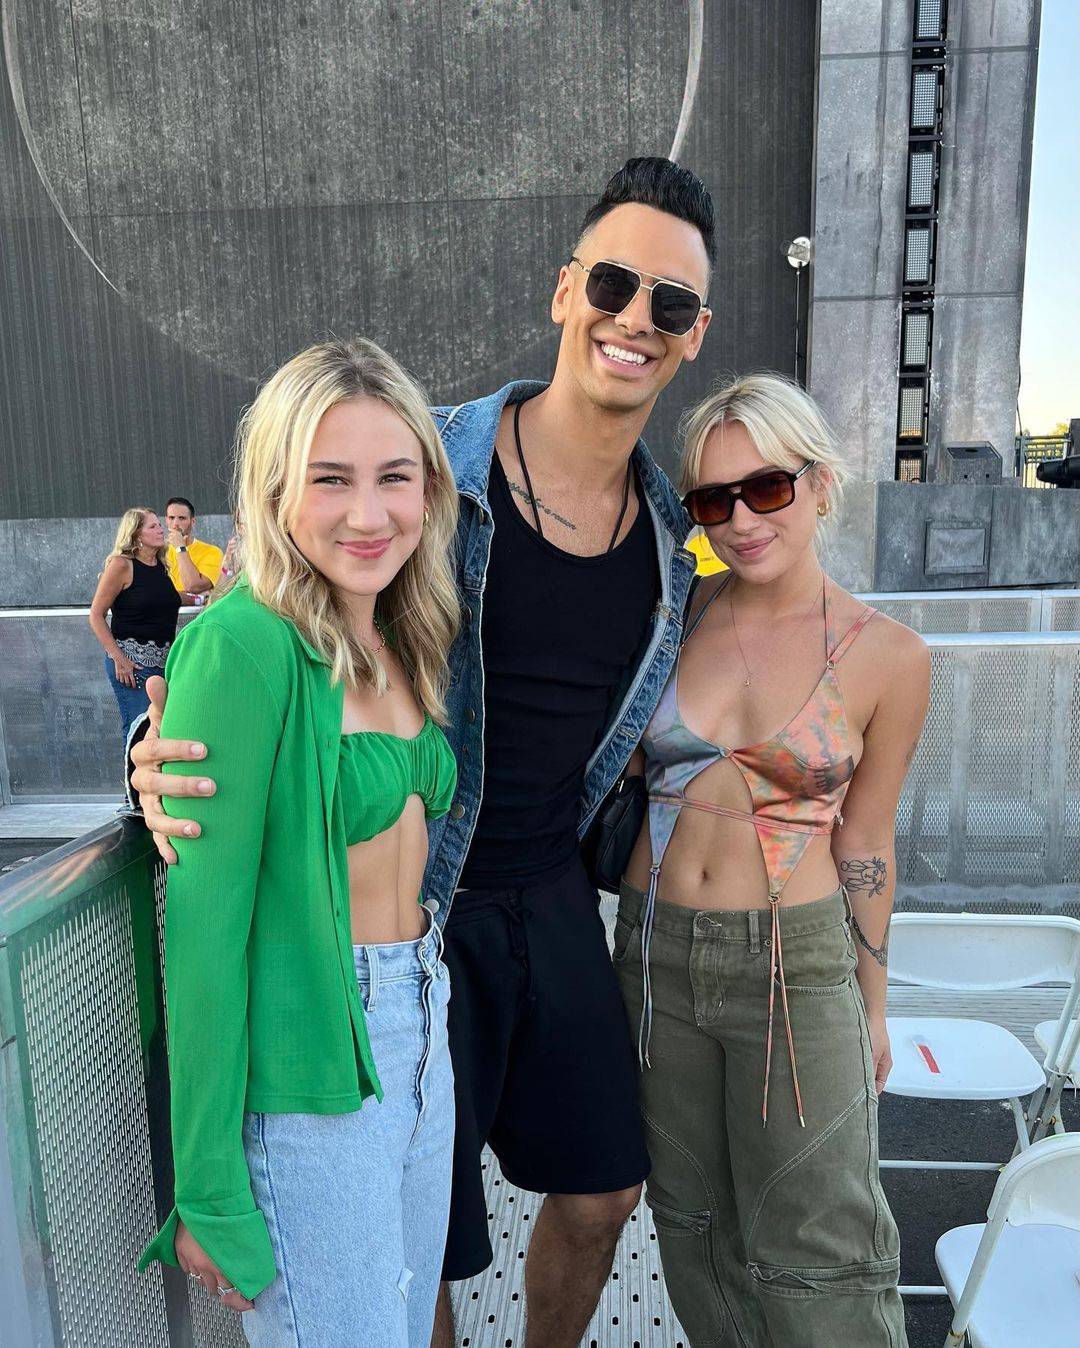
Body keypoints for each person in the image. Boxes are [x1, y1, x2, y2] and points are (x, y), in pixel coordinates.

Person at [130, 157, 714, 1348]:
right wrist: (154, 750)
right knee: (414, 1270)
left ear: (694, 331)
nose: (636, 318)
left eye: (671, 302)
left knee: (592, 1191)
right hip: (388, 946)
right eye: (613, 283)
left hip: (495, 923)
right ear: (566, 289)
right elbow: (247, 663)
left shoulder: (663, 532)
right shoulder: (437, 469)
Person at [137, 338, 462, 1348]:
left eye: (394, 477)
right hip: (312, 1072)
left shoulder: (402, 630)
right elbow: (202, 937)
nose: (368, 514)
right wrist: (206, 1186)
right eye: (331, 479)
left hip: (421, 1024)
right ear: (276, 491)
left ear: (429, 489)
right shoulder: (243, 642)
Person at [616, 373, 929, 1347]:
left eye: (767, 488)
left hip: (796, 966)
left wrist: (872, 1006)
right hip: (655, 958)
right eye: (714, 501)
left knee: (821, 1240)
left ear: (822, 484)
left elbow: (866, 840)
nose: (742, 521)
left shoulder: (888, 656)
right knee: (692, 1223)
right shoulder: (669, 619)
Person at [89, 507, 181, 745]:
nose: (161, 529)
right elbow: (96, 615)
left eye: (159, 525)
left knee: (161, 730)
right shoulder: (122, 565)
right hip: (133, 664)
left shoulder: (160, 565)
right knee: (138, 729)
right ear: (136, 534)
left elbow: (164, 599)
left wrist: (205, 597)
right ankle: (131, 771)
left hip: (164, 664)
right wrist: (119, 658)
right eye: (152, 526)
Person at [164, 495, 224, 596]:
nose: (175, 523)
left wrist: (180, 547)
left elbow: (194, 586)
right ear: (166, 520)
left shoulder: (212, 552)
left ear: (193, 522)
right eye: (171, 518)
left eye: (182, 518)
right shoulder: (159, 552)